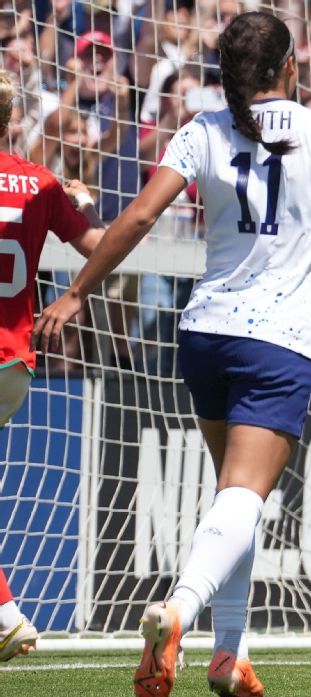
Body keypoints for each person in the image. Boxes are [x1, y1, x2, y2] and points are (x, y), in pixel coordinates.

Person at [31, 12, 311, 697]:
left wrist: (77, 293)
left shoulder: (200, 131)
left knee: (234, 499)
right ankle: (176, 612)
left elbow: (140, 218)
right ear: (291, 67)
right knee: (243, 497)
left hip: (205, 335)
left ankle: (230, 656)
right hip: (277, 340)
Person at [0, 66, 105, 662]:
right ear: (11, 122)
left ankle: (10, 617)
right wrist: (61, 193)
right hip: (16, 362)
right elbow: (98, 246)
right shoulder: (38, 182)